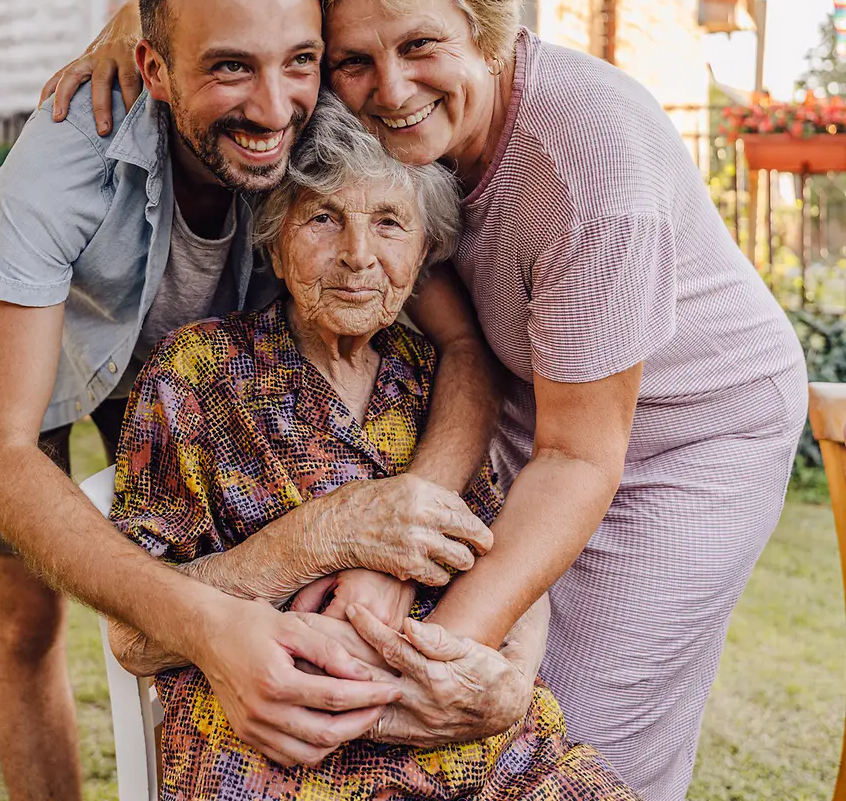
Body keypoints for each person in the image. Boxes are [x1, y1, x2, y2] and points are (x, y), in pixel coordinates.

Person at [43, 0, 809, 801]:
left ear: (485, 32)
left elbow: (576, 456)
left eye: (420, 48)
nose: (392, 90)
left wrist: (436, 653)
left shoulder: (592, 171)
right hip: (544, 392)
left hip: (687, 433)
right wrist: (129, 31)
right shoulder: (386, 129)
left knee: (571, 717)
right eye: (356, 61)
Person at [0, 0, 504, 800]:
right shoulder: (61, 162)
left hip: (178, 359)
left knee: (212, 558)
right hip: (31, 349)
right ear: (154, 67)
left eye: (298, 61)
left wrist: (397, 526)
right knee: (23, 623)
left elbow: (462, 341)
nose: (273, 107)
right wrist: (206, 622)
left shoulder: (306, 124)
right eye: (230, 66)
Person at [106, 92, 639, 801]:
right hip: (282, 750)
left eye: (389, 223)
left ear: (423, 256)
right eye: (324, 218)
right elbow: (135, 635)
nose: (359, 256)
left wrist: (510, 681)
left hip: (473, 748)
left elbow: (506, 556)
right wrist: (319, 540)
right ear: (274, 237)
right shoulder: (195, 376)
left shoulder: (431, 387)